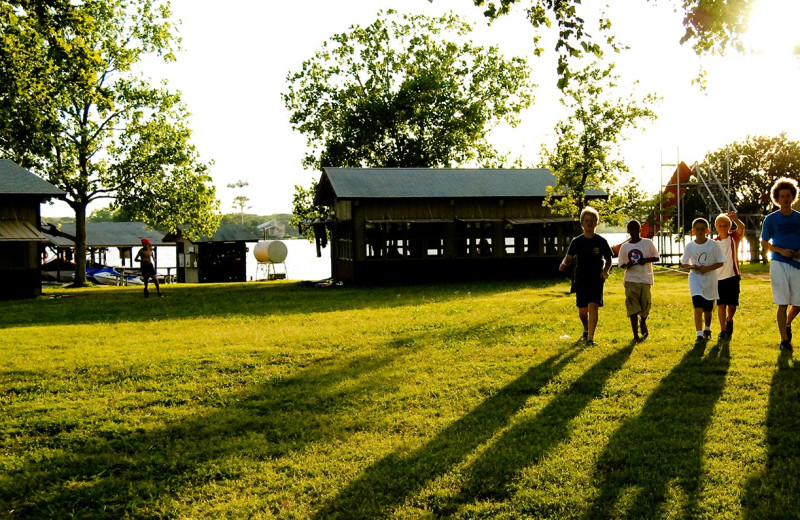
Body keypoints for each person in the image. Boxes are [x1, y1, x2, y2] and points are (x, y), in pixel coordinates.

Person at [559, 206, 613, 345]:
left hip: (596, 278)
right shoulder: (576, 241)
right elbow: (569, 257)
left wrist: (605, 270)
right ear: (582, 223)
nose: (589, 223)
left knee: (593, 305)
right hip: (581, 277)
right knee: (583, 310)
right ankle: (586, 329)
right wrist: (564, 263)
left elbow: (609, 259)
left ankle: (591, 338)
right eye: (586, 220)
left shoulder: (601, 241)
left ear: (596, 223)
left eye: (592, 220)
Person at [760, 177, 800, 351]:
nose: (785, 199)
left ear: (793, 197)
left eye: (788, 195)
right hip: (779, 262)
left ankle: (787, 323)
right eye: (781, 196)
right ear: (777, 198)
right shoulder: (771, 219)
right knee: (783, 302)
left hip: (798, 263)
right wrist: (780, 250)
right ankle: (784, 340)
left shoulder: (799, 218)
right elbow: (764, 242)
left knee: (798, 303)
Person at [681, 218, 726, 347]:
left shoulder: (713, 245)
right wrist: (692, 266)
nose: (700, 232)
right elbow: (684, 264)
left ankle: (707, 328)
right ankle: (699, 335)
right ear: (693, 231)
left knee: (708, 309)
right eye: (697, 229)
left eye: (702, 229)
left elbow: (721, 261)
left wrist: (707, 268)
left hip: (710, 280)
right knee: (698, 306)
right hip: (695, 279)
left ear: (707, 230)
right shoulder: (690, 246)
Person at [618, 220, 659, 342]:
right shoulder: (625, 247)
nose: (633, 231)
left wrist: (645, 260)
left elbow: (656, 257)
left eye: (636, 229)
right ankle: (635, 335)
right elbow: (620, 264)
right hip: (631, 280)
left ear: (640, 230)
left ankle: (643, 322)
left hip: (645, 279)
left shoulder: (647, 243)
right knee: (632, 307)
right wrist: (627, 265)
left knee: (645, 306)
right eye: (631, 229)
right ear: (628, 231)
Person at [714, 211, 745, 340]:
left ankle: (729, 320)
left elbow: (742, 228)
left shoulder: (733, 237)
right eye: (720, 226)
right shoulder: (713, 242)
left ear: (729, 226)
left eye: (725, 225)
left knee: (732, 305)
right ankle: (723, 330)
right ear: (716, 227)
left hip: (733, 276)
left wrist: (736, 219)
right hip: (719, 278)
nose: (722, 228)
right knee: (721, 305)